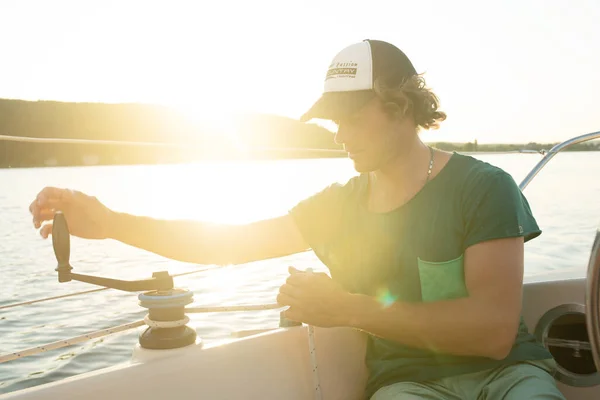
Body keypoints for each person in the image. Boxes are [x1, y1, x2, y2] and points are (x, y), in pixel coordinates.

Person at [29, 39, 565, 399]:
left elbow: (493, 332)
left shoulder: (483, 187)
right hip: (409, 387)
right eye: (334, 120)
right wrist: (110, 220)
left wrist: (347, 308)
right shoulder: (339, 206)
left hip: (509, 376)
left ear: (401, 108)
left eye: (352, 117)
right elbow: (228, 244)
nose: (340, 134)